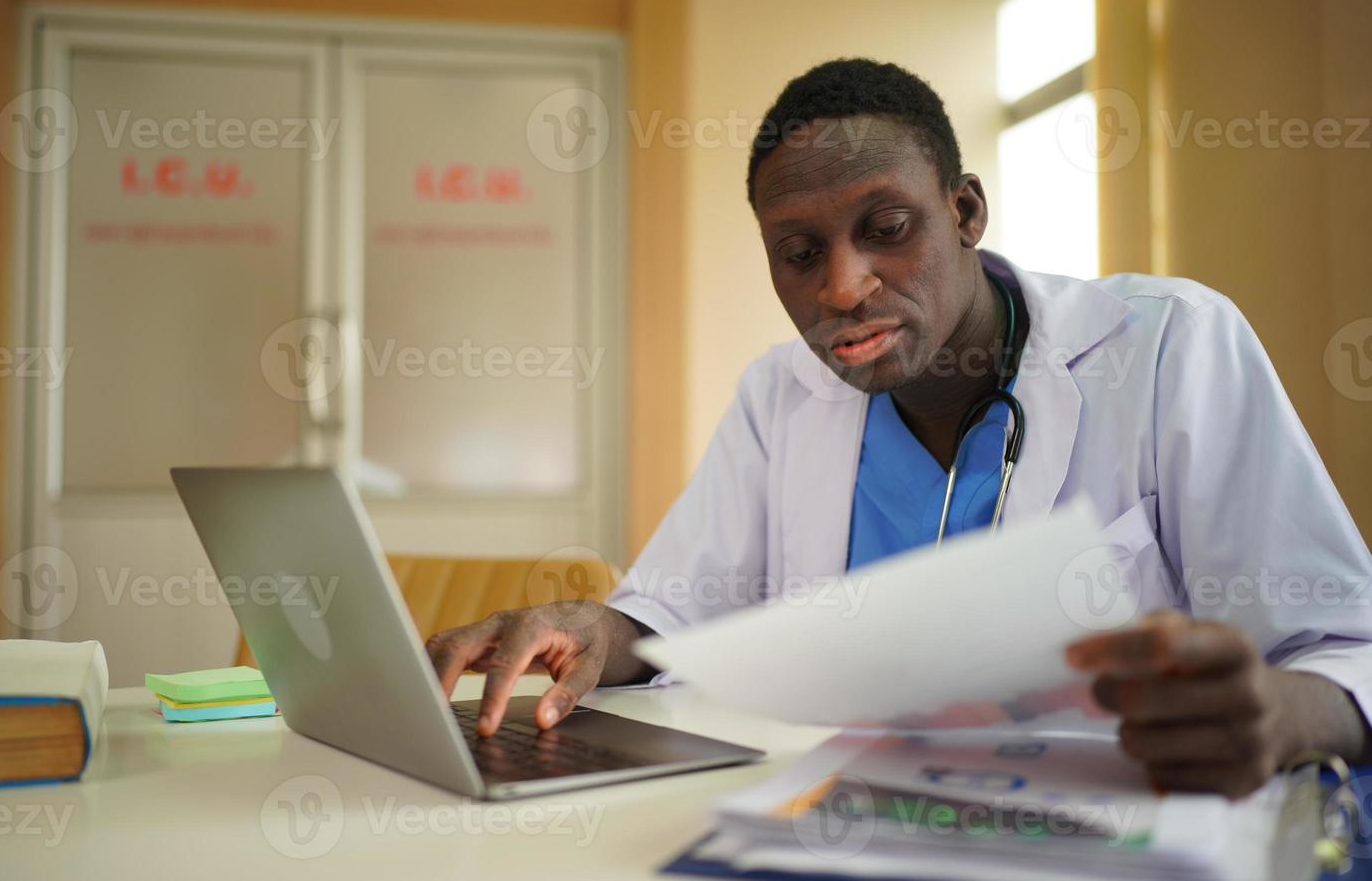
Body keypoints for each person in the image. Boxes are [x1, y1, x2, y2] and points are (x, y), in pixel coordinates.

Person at [424, 59, 1372, 798]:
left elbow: (1348, 648)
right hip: (837, 824)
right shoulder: (782, 393)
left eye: (886, 226)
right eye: (799, 254)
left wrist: (1284, 716)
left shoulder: (1169, 348)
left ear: (964, 212)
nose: (840, 286)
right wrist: (593, 626)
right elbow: (674, 614)